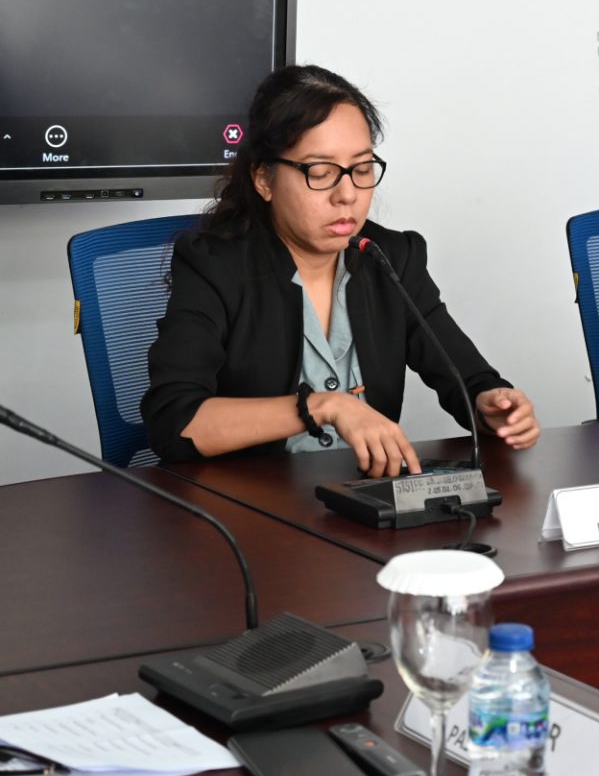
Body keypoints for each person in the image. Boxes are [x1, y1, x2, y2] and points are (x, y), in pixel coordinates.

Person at [142, 65, 538, 476]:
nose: (347, 194)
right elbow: (174, 422)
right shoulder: (214, 266)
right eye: (321, 172)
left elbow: (468, 379)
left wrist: (492, 404)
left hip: (363, 500)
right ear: (264, 179)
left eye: (362, 169)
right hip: (251, 502)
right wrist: (323, 406)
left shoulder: (392, 257)